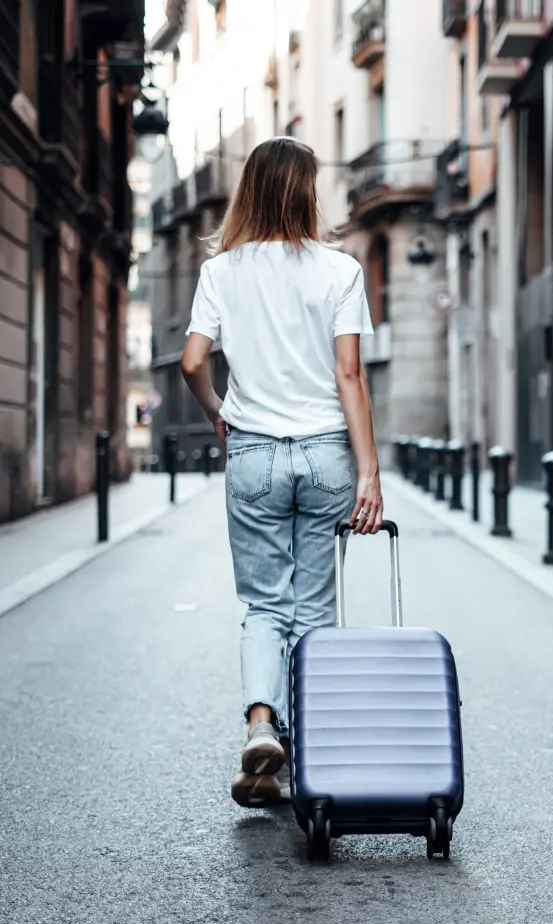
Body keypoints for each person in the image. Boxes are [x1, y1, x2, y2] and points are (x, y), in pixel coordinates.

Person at [180, 137, 384, 809]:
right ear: (306, 192)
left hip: (255, 454)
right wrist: (369, 474)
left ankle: (261, 725)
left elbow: (191, 362)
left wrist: (219, 411)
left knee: (265, 604)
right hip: (326, 451)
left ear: (249, 191)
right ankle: (315, 742)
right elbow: (349, 374)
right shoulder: (338, 269)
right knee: (315, 608)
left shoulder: (223, 270)